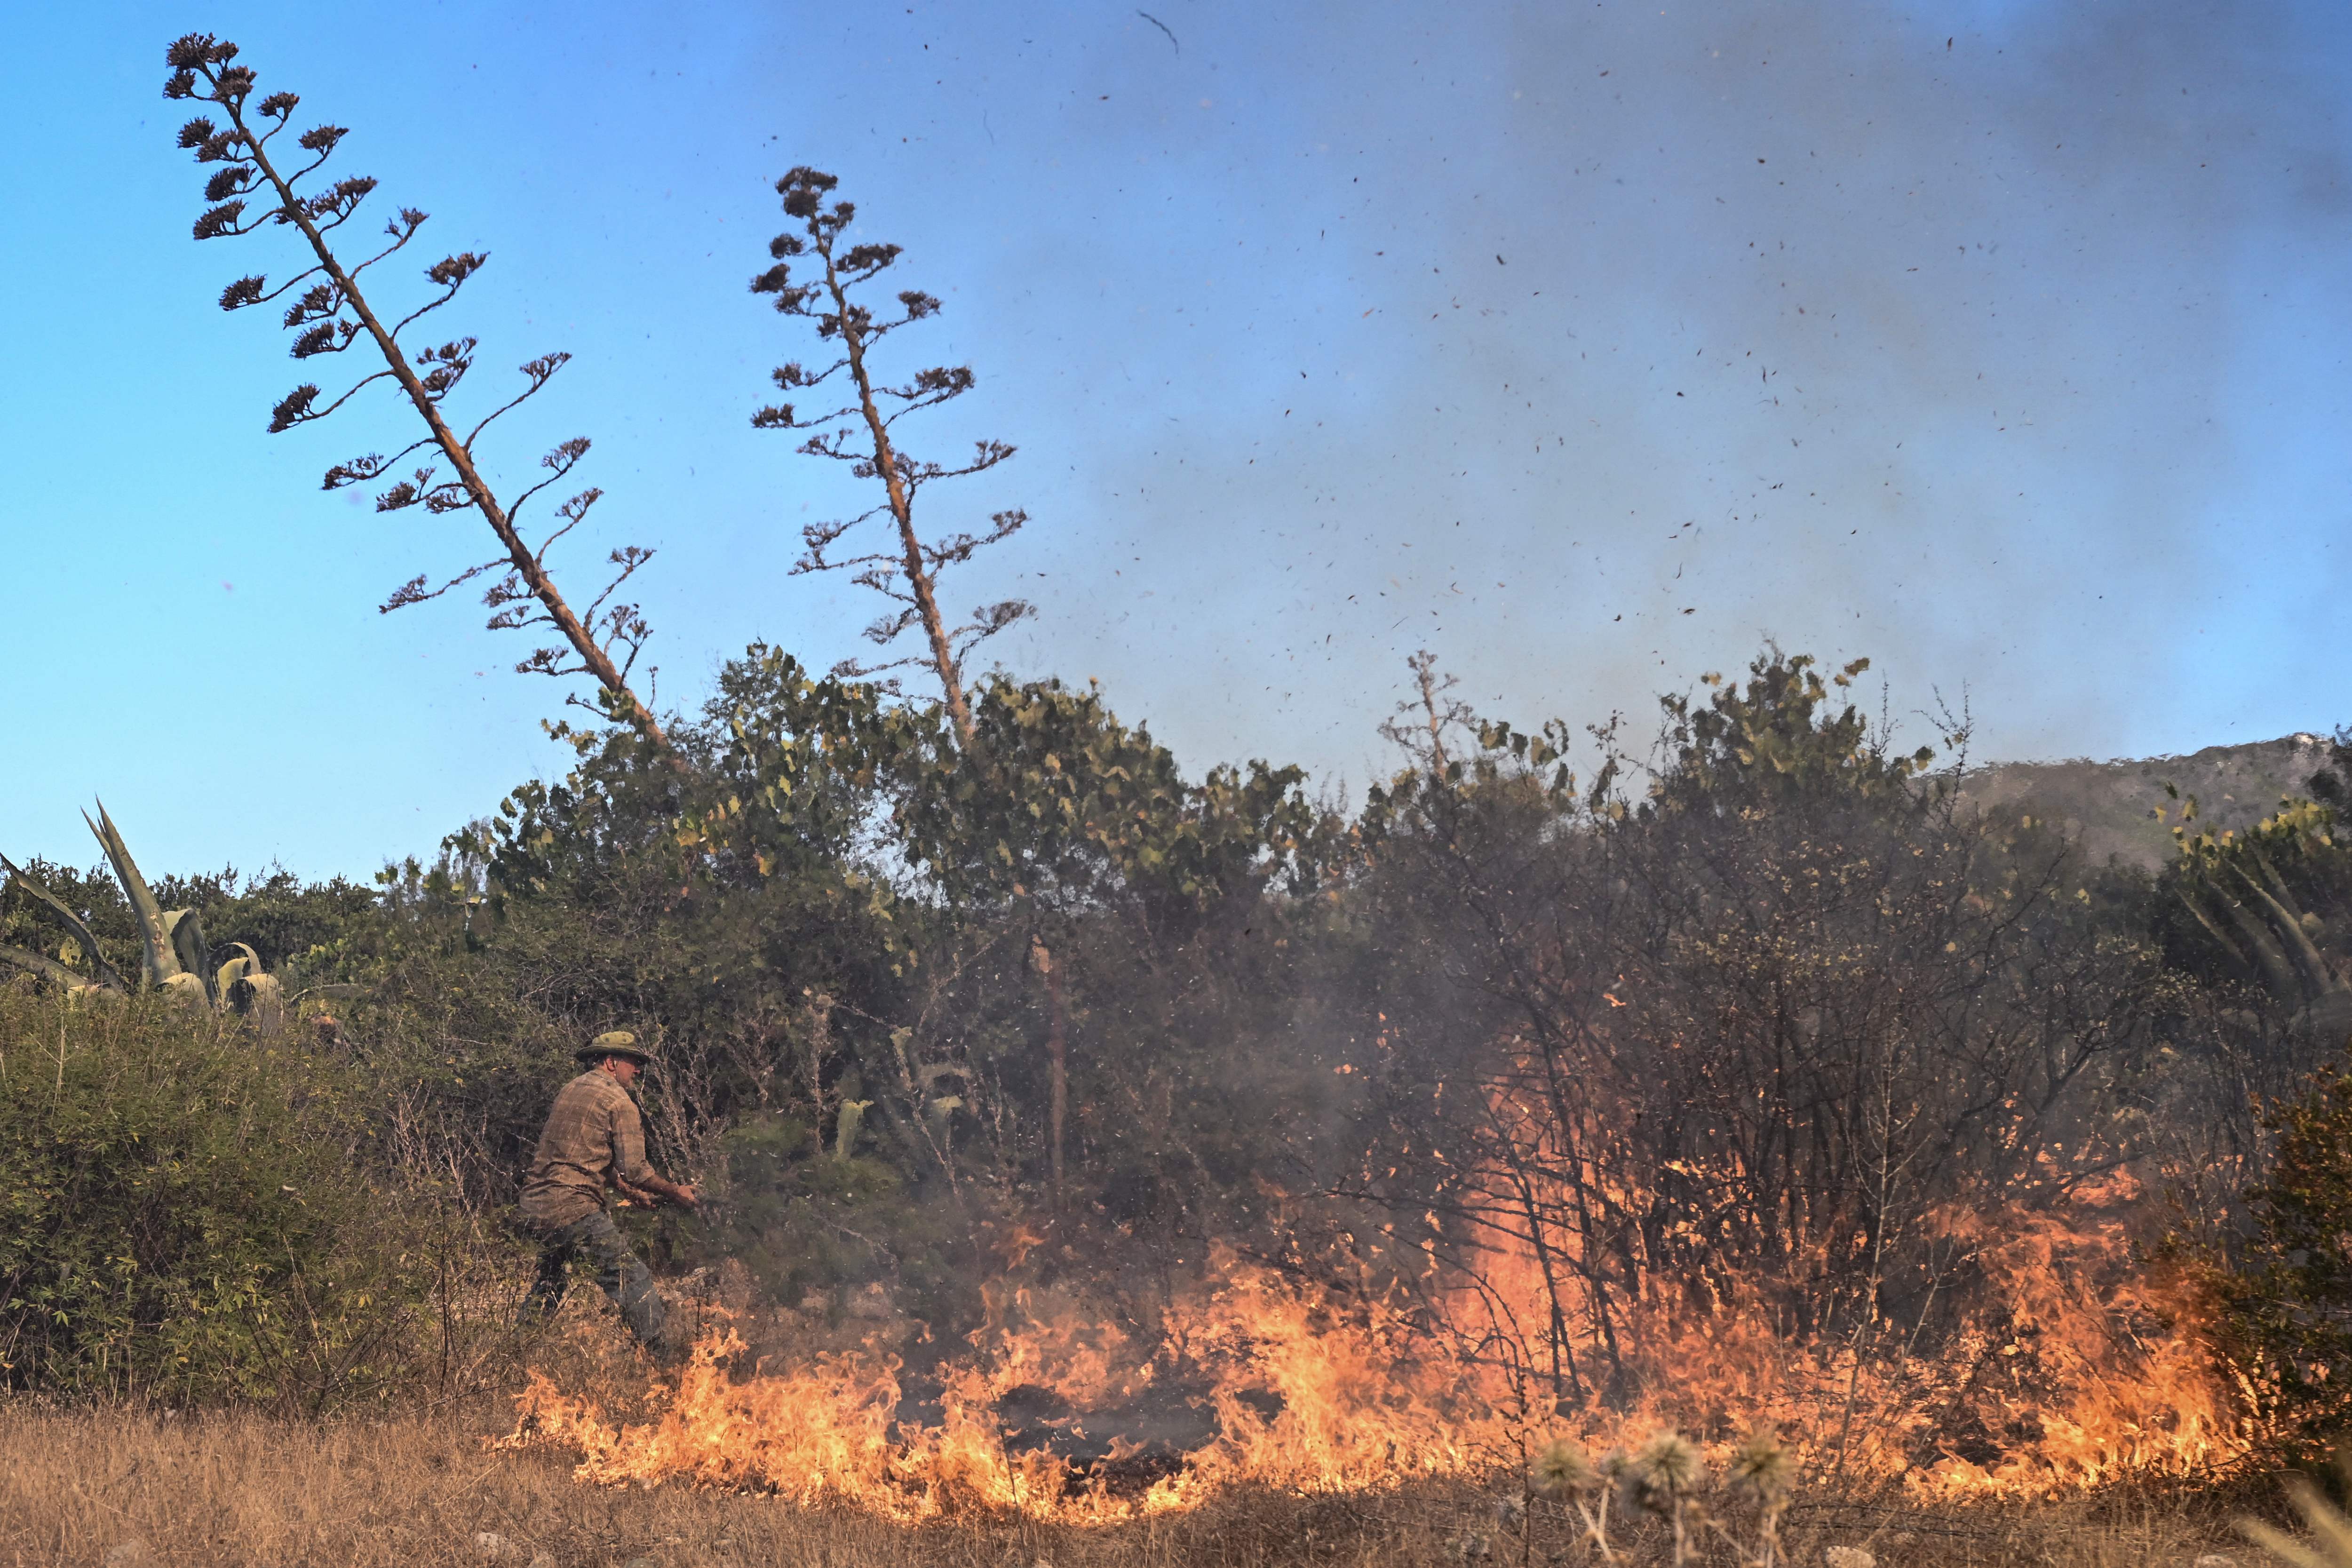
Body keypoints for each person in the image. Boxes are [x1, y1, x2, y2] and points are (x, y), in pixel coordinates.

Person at [516, 1031, 699, 1351]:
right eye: (634, 1062)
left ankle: (515, 1350)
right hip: (573, 1208)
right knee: (634, 1279)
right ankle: (664, 1363)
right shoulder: (619, 1101)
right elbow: (637, 1168)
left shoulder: (571, 1089)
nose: (638, 1071)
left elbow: (581, 1151)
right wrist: (674, 1191)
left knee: (551, 1280)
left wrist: (625, 1188)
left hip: (536, 1206)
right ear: (612, 1062)